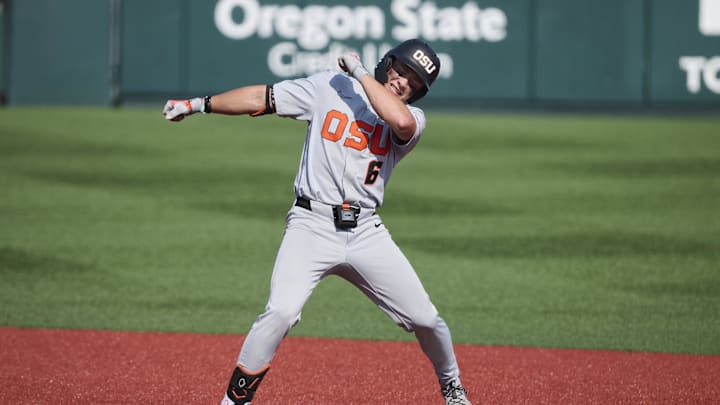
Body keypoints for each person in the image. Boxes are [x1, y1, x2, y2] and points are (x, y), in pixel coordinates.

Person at [162, 38, 472, 405]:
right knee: (280, 311)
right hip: (311, 224)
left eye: (414, 82)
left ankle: (452, 386)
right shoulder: (329, 87)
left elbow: (399, 119)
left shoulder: (413, 120)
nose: (403, 82)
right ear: (388, 63)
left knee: (425, 318)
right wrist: (198, 104)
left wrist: (357, 70)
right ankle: (233, 402)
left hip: (365, 232)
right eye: (402, 70)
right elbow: (261, 98)